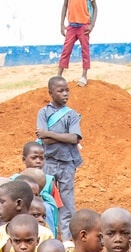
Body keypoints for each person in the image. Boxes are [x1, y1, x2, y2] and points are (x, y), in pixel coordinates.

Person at [36, 77, 83, 241]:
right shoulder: (44, 112)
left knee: (67, 203)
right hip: (48, 162)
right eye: (60, 91)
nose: (65, 94)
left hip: (66, 164)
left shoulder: (72, 115)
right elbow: (44, 140)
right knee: (46, 199)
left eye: (67, 90)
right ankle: (48, 237)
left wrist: (48, 133)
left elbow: (74, 138)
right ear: (50, 93)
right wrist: (59, 136)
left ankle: (67, 240)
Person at [58, 0, 96, 87]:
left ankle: (84, 76)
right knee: (66, 50)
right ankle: (59, 76)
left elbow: (95, 7)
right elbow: (65, 5)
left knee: (85, 51)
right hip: (71, 26)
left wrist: (92, 25)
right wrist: (61, 24)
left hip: (84, 26)